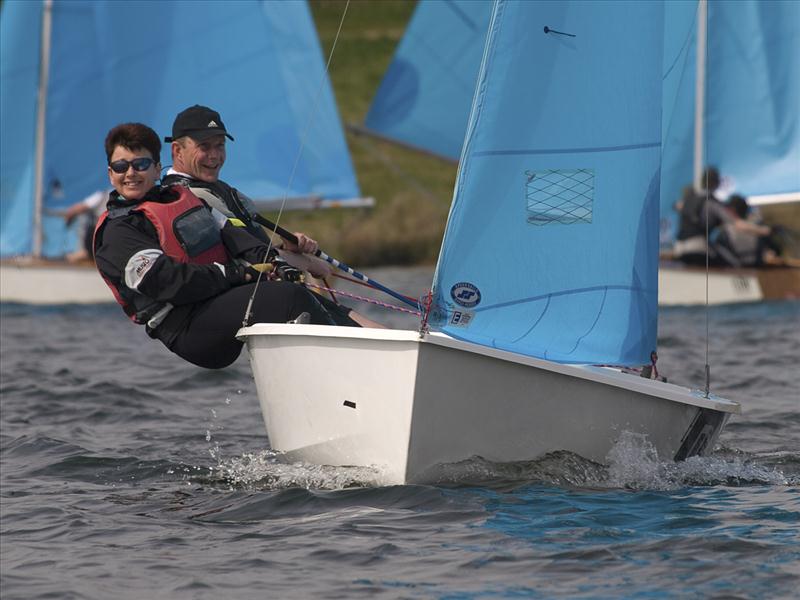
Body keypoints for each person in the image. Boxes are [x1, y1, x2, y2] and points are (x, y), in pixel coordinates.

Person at [93, 122, 343, 369]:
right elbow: (166, 279)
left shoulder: (181, 198)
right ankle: (344, 367)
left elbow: (232, 233)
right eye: (120, 166)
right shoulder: (118, 232)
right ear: (110, 173)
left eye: (141, 164)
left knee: (316, 299)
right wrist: (238, 273)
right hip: (187, 327)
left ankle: (369, 345)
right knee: (289, 297)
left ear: (157, 169)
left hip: (217, 300)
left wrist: (274, 262)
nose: (130, 173)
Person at [160, 104, 380, 328]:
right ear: (177, 151)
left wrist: (286, 248)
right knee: (374, 333)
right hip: (247, 300)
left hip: (270, 288)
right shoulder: (185, 199)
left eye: (220, 145)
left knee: (379, 331)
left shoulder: (220, 190)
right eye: (204, 146)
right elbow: (241, 260)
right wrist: (308, 263)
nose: (215, 155)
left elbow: (251, 247)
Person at [673, 167, 770, 267]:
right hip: (698, 246)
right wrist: (765, 230)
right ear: (717, 184)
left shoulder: (688, 200)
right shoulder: (712, 203)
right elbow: (739, 225)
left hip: (678, 247)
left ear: (702, 181)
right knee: (733, 262)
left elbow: (677, 206)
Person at [715, 195, 779, 267]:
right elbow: (776, 250)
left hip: (735, 273)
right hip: (759, 271)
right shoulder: (759, 229)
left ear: (731, 210)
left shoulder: (724, 233)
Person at [61, 188, 111, 263]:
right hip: (113, 232)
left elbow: (78, 208)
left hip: (104, 232)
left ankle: (84, 252)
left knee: (85, 217)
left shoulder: (102, 194)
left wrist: (69, 215)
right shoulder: (124, 194)